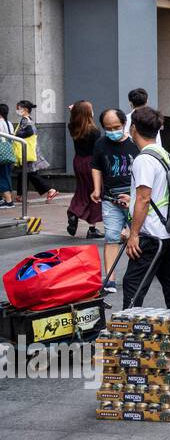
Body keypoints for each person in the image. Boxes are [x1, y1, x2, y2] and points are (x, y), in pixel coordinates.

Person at [121, 106, 170, 311]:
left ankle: (128, 325)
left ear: (133, 129)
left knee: (133, 283)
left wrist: (134, 234)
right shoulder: (163, 153)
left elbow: (144, 198)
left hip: (150, 233)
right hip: (165, 229)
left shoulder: (144, 159)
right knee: (169, 278)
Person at [91, 107, 137, 295]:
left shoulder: (135, 144)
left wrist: (135, 199)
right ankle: (109, 278)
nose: (112, 131)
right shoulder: (101, 143)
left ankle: (138, 276)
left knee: (139, 236)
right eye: (108, 128)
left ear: (124, 124)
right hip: (110, 199)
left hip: (134, 199)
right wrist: (96, 188)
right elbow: (96, 166)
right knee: (111, 237)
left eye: (116, 127)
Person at [66, 100, 103, 238]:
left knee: (81, 190)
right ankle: (92, 229)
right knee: (94, 193)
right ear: (88, 113)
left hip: (78, 162)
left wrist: (73, 112)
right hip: (91, 164)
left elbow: (74, 119)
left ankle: (74, 213)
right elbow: (97, 152)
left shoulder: (73, 127)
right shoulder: (94, 131)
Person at [13, 100, 58, 202]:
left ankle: (50, 190)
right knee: (23, 173)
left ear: (24, 110)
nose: (17, 110)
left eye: (18, 108)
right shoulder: (28, 119)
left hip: (26, 152)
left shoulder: (25, 120)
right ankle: (20, 195)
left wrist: (16, 135)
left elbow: (29, 132)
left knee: (31, 174)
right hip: (29, 151)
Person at [0, 104, 14, 210]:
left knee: (2, 177)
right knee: (6, 176)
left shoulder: (0, 122)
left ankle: (9, 201)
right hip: (8, 153)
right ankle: (6, 199)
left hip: (2, 154)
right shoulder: (9, 123)